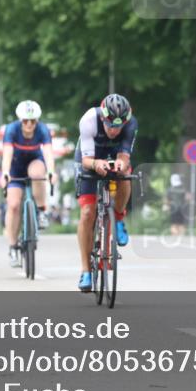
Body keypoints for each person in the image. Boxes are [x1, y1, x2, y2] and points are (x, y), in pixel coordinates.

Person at [75, 94, 138, 292]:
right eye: (110, 124)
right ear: (102, 118)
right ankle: (85, 270)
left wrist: (120, 163)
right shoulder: (89, 120)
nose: (113, 130)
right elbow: (86, 160)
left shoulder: (131, 124)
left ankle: (118, 219)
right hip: (90, 158)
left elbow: (124, 155)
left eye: (118, 126)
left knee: (125, 173)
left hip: (113, 156)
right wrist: (95, 164)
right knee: (87, 213)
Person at [0, 101, 57, 267]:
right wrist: (5, 173)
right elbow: (7, 154)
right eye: (25, 121)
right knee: (14, 205)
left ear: (37, 121)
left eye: (33, 121)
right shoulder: (11, 130)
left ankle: (40, 211)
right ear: (20, 120)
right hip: (15, 166)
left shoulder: (43, 130)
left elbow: (48, 153)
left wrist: (51, 171)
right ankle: (12, 246)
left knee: (38, 174)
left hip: (34, 162)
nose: (29, 124)